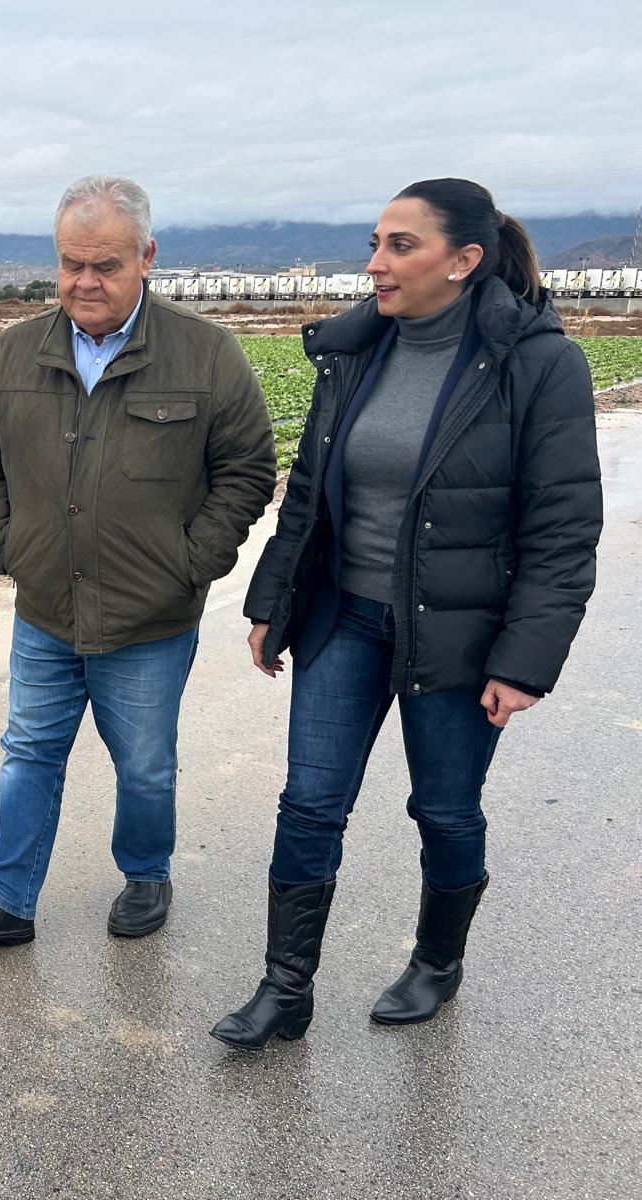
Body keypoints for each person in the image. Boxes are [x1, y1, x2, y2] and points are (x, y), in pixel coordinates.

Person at [211, 179, 602, 1051]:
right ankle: (286, 989)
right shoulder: (357, 350)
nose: (376, 263)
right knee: (309, 805)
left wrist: (524, 660)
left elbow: (563, 526)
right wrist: (274, 602)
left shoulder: (536, 363)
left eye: (399, 246)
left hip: (460, 634)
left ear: (465, 261)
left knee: (446, 811)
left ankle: (436, 962)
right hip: (345, 618)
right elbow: (310, 494)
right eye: (376, 242)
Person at [0, 175, 277, 947]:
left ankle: (146, 872)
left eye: (106, 266)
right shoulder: (17, 351)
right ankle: (7, 900)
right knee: (28, 755)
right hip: (47, 607)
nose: (85, 282)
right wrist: (7, 543)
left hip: (150, 616)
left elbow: (249, 468)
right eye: (70, 264)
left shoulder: (205, 353)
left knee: (146, 766)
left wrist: (193, 562)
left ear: (146, 257)